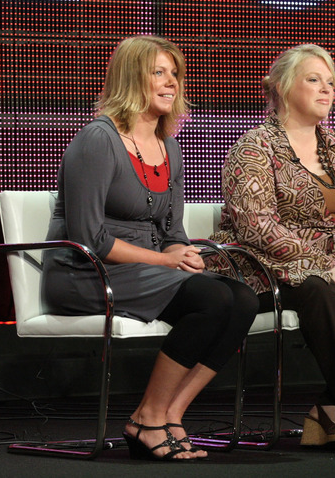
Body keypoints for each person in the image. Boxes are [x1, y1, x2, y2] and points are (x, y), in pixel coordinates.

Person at [42, 35, 260, 461]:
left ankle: (169, 414)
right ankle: (147, 415)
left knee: (242, 299)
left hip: (145, 270)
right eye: (158, 72)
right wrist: (165, 258)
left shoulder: (169, 148)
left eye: (174, 73)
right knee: (213, 299)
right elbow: (90, 239)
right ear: (130, 79)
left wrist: (186, 255)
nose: (171, 82)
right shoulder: (97, 140)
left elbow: (173, 231)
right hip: (85, 273)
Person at [211, 44, 335, 452]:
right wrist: (324, 264)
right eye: (314, 80)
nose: (327, 90)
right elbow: (257, 227)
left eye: (332, 83)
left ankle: (331, 409)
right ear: (285, 87)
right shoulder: (253, 148)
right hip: (272, 265)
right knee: (325, 292)